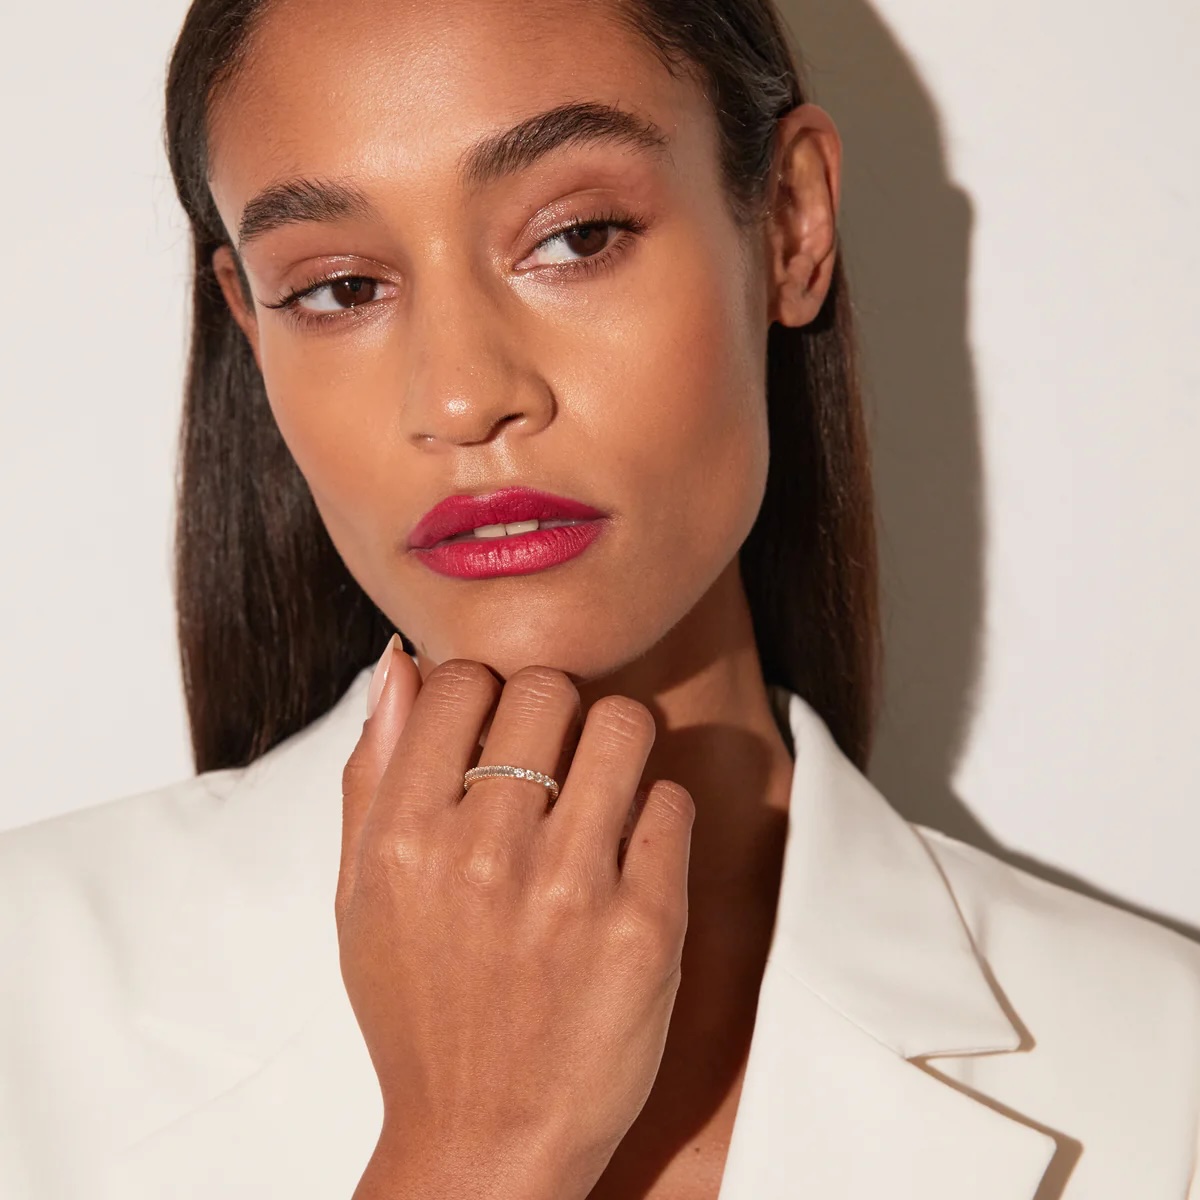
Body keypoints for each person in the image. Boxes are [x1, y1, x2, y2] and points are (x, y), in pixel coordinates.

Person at [2, 0, 1198, 1196]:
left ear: (790, 224)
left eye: (574, 238)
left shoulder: (1160, 1079)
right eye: (339, 287)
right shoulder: (27, 1000)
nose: (466, 395)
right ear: (250, 328)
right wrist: (477, 1150)